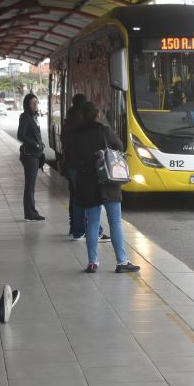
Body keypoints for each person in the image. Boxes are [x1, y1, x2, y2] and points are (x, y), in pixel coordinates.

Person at [72, 102, 140, 274]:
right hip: (108, 181)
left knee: (92, 222)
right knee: (115, 221)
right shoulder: (104, 131)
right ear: (97, 115)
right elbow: (119, 146)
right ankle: (122, 262)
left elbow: (72, 157)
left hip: (88, 184)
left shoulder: (77, 135)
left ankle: (93, 263)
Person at [61, 93, 109, 242]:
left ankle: (76, 229)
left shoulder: (68, 120)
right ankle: (94, 231)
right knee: (89, 198)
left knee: (77, 196)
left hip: (71, 164)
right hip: (83, 166)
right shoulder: (82, 124)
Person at [16, 93, 45, 221]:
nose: (36, 105)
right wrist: (36, 144)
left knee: (31, 184)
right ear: (27, 104)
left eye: (37, 102)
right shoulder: (25, 117)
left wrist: (40, 143)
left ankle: (31, 211)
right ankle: (30, 213)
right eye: (33, 103)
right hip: (30, 155)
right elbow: (20, 135)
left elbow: (35, 134)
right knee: (30, 184)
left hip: (35, 153)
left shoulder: (34, 117)